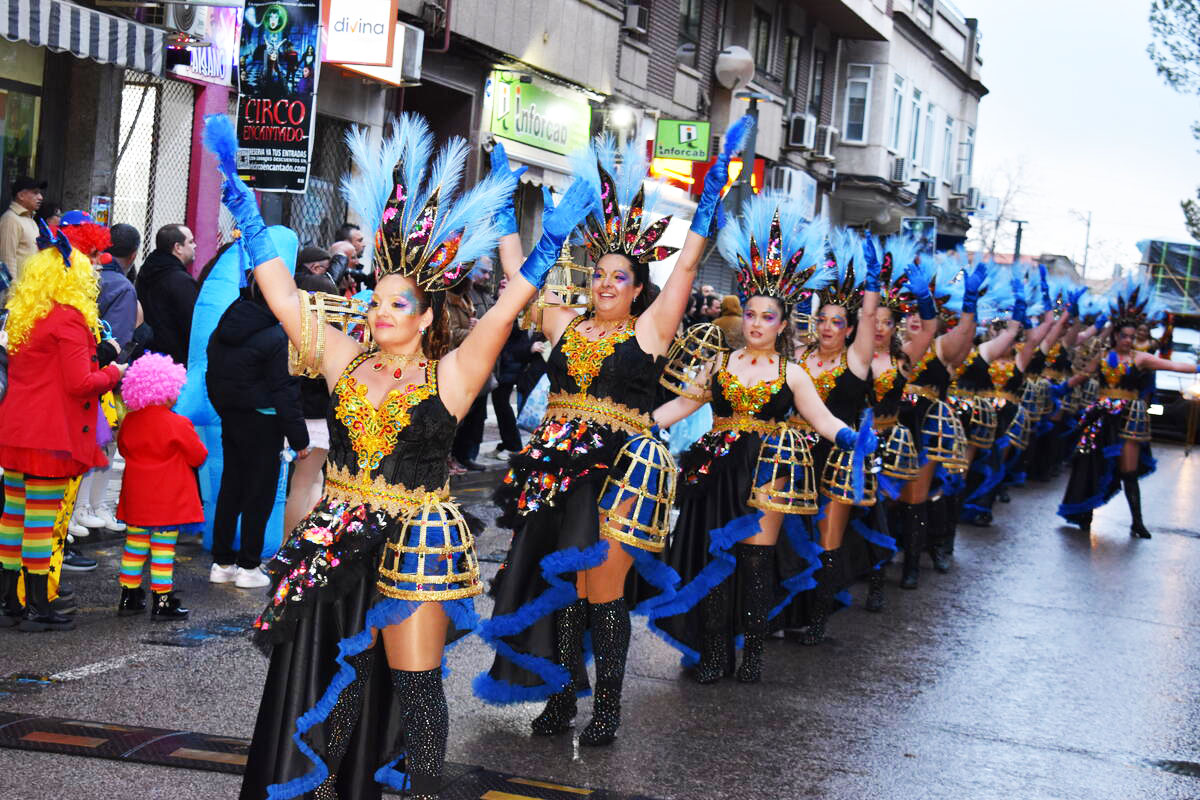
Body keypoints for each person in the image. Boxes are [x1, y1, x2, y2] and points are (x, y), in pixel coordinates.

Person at [212, 111, 590, 800]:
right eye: (375, 298)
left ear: (425, 316)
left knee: (415, 689)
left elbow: (506, 314)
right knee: (332, 671)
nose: (379, 310)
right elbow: (281, 293)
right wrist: (247, 210)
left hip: (419, 538)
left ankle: (417, 792)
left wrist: (547, 249)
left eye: (398, 303)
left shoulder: (451, 373)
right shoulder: (341, 358)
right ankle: (332, 787)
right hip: (338, 532)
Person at [475, 118, 753, 746]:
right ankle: (562, 698)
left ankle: (606, 708)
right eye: (598, 273)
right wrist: (500, 204)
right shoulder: (562, 323)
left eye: (619, 276)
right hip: (554, 467)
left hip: (622, 473)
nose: (604, 282)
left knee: (601, 590)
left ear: (636, 289)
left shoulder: (650, 330)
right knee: (563, 589)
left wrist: (708, 205)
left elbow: (685, 269)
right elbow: (520, 273)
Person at [647, 199, 870, 685]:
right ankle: (713, 653)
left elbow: (821, 418)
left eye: (768, 317)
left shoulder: (793, 372)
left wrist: (851, 437)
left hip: (766, 471)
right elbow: (683, 405)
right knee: (712, 562)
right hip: (715, 470)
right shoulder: (720, 364)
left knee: (753, 562)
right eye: (751, 313)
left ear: (784, 325)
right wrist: (642, 423)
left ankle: (750, 655)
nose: (756, 323)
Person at [0, 224, 125, 632]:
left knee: (14, 517)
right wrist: (112, 371)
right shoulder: (68, 319)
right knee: (39, 520)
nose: (94, 269)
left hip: (17, 429)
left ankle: (10, 602)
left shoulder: (26, 312)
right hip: (51, 435)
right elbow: (80, 383)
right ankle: (37, 604)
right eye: (89, 262)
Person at [772, 227, 883, 646]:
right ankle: (783, 612)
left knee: (825, 538)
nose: (828, 327)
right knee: (782, 534)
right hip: (793, 454)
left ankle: (817, 618)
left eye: (838, 322)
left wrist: (872, 287)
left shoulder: (856, 360)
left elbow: (869, 317)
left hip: (835, 460)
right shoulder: (799, 355)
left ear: (851, 330)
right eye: (822, 319)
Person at [1058, 279, 1198, 538]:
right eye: (1125, 336)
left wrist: (1197, 367)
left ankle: (1137, 521)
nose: (1129, 341)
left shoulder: (1142, 357)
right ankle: (1085, 513)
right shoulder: (1102, 355)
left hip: (1131, 416)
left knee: (1128, 470)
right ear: (1115, 335)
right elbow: (1082, 376)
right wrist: (1061, 389)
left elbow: (1174, 366)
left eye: (1133, 337)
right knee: (1091, 461)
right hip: (1100, 415)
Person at [206, 271, 310, 590]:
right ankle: (248, 566)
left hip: (231, 416)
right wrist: (299, 439)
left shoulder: (224, 327)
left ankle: (222, 562)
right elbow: (285, 391)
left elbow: (213, 375)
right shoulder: (276, 337)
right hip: (264, 420)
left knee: (231, 488)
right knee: (260, 494)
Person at [62, 211, 138, 535]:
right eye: (92, 256)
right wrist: (111, 366)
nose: (98, 263)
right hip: (84, 397)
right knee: (98, 445)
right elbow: (92, 368)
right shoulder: (71, 312)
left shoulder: (60, 305)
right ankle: (75, 519)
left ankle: (74, 520)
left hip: (59, 408)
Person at [115, 353, 206, 620]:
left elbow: (122, 448)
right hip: (168, 499)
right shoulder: (178, 423)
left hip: (136, 498)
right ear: (166, 391)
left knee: (135, 545)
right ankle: (162, 600)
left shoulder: (130, 421)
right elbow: (198, 456)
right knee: (163, 550)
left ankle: (128, 596)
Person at [284, 245, 340, 533]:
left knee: (307, 482)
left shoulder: (291, 331)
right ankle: (294, 545)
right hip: (315, 418)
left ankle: (297, 543)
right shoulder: (330, 336)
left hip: (298, 416)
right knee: (308, 481)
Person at [450, 260, 497, 471]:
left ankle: (464, 456)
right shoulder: (449, 301)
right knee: (455, 419)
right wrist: (476, 332)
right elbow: (449, 333)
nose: (487, 277)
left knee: (474, 419)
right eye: (483, 272)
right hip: (456, 364)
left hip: (476, 364)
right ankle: (453, 458)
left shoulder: (471, 298)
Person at [136, 224, 198, 365]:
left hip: (146, 357)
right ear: (178, 247)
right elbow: (192, 325)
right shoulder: (181, 281)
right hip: (174, 363)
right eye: (190, 241)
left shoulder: (145, 272)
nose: (195, 245)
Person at [0, 176, 45, 285]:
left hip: (30, 292)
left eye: (40, 193)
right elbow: (7, 259)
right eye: (35, 193)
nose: (40, 197)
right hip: (18, 295)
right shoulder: (11, 219)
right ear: (21, 195)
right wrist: (12, 295)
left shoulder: (30, 219)